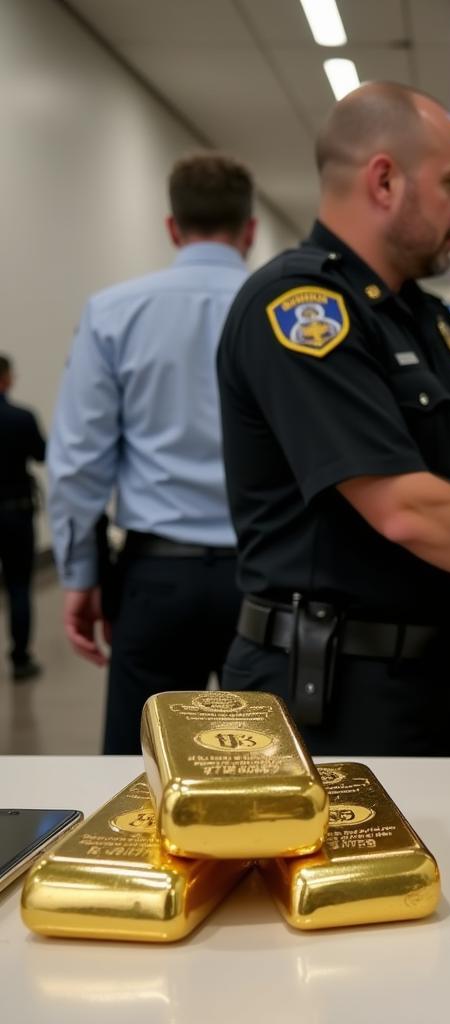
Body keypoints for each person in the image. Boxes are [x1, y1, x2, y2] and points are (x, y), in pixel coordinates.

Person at [217, 82, 450, 756]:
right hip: (334, 693)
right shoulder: (303, 308)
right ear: (384, 181)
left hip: (433, 675)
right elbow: (406, 508)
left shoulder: (425, 319)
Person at [47, 153, 256, 754]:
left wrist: (80, 576)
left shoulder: (114, 312)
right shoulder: (281, 310)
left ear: (172, 227)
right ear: (250, 230)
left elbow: (78, 462)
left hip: (156, 580)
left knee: (144, 776)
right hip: (268, 584)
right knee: (269, 775)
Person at [0, 355, 46, 682]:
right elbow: (42, 455)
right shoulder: (22, 417)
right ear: (5, 379)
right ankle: (20, 659)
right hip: (16, 513)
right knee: (18, 586)